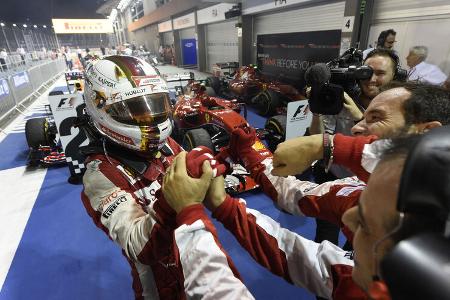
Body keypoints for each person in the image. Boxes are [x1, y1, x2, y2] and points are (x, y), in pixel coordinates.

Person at [162, 126, 450, 299]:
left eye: (364, 223)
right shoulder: (378, 271)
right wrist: (225, 202)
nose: (347, 221)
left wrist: (190, 217)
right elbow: (292, 250)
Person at [80, 55, 246, 299]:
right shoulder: (100, 174)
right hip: (161, 285)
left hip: (198, 257)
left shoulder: (165, 144)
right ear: (101, 110)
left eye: (156, 106)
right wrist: (173, 199)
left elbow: (194, 171)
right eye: (137, 110)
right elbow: (138, 246)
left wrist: (226, 163)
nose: (151, 119)